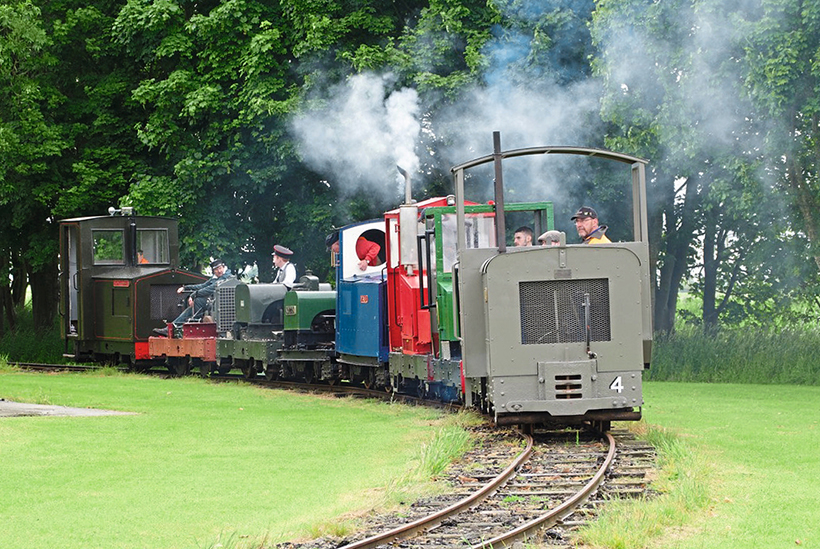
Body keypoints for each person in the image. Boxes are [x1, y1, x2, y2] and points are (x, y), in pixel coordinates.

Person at [153, 258, 232, 335]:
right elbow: (202, 286)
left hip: (225, 307)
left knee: (199, 300)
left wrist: (194, 295)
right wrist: (186, 288)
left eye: (220, 268)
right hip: (215, 304)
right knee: (194, 305)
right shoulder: (215, 278)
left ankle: (194, 326)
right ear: (213, 271)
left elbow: (211, 288)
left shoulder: (226, 278)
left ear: (223, 267)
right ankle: (172, 328)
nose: (219, 271)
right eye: (216, 269)